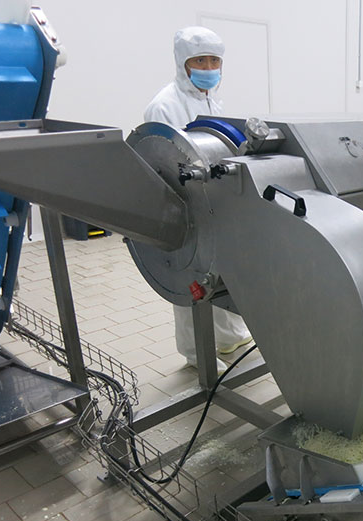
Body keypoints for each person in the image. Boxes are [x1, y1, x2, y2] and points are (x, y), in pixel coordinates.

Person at [144, 26, 252, 371]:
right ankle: (195, 352)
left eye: (214, 61)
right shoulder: (164, 105)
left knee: (220, 270)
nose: (208, 68)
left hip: (214, 199)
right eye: (200, 61)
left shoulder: (211, 100)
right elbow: (161, 158)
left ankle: (228, 335)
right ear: (183, 63)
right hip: (184, 204)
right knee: (191, 275)